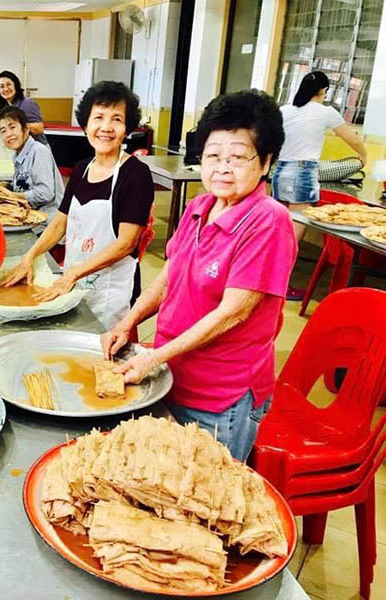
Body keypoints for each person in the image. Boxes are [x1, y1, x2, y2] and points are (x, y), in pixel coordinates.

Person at [101, 90, 297, 462]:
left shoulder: (268, 220)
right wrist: (128, 322)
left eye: (237, 157)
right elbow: (167, 278)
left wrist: (152, 358)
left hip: (219, 397)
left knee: (205, 488)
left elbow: (233, 313)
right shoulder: (199, 206)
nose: (222, 168)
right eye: (213, 156)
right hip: (172, 376)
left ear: (266, 162)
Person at [1, 81, 154, 329]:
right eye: (98, 118)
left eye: (116, 119)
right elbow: (59, 224)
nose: (106, 127)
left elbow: (126, 243)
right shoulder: (82, 168)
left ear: (127, 127)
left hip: (110, 291)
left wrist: (71, 274)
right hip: (73, 280)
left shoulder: (136, 174)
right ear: (86, 124)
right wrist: (30, 256)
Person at [272, 71, 367, 300]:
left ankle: (269, 281)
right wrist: (364, 156)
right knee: (292, 237)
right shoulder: (325, 112)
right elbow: (352, 139)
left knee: (278, 233)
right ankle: (279, 287)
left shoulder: (285, 110)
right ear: (323, 91)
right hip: (303, 172)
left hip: (280, 171)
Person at [0, 105, 64, 231]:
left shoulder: (38, 151)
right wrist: (2, 186)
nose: (8, 134)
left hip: (46, 224)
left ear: (26, 129)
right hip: (31, 217)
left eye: (12, 127)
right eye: (3, 131)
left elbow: (45, 194)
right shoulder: (18, 154)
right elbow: (23, 183)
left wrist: (11, 196)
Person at [0, 70, 47, 145]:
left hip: (36, 148)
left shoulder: (27, 103)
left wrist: (17, 126)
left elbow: (39, 128)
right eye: (2, 86)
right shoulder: (4, 108)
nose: (6, 89)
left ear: (15, 85)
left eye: (8, 84)